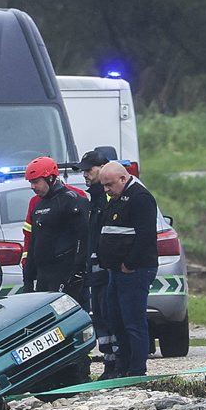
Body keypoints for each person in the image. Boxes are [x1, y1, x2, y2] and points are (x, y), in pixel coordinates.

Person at [97, 161, 158, 377]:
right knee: (116, 319)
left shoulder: (140, 198)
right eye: (103, 185)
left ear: (123, 179)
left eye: (109, 185)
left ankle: (136, 370)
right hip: (115, 271)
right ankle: (121, 367)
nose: (106, 190)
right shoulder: (115, 198)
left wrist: (130, 263)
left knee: (133, 321)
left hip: (135, 271)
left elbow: (146, 236)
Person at [20, 156, 90, 303]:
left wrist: (77, 272)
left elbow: (83, 238)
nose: (32, 187)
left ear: (51, 179)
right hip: (44, 275)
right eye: (30, 182)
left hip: (67, 273)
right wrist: (28, 278)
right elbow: (33, 242)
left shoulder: (73, 200)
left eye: (36, 181)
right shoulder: (38, 205)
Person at [78, 149, 118, 378]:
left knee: (110, 314)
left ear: (103, 168)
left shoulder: (107, 198)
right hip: (95, 268)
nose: (85, 174)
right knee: (100, 315)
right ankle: (109, 362)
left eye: (88, 170)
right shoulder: (94, 198)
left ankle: (117, 362)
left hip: (106, 268)